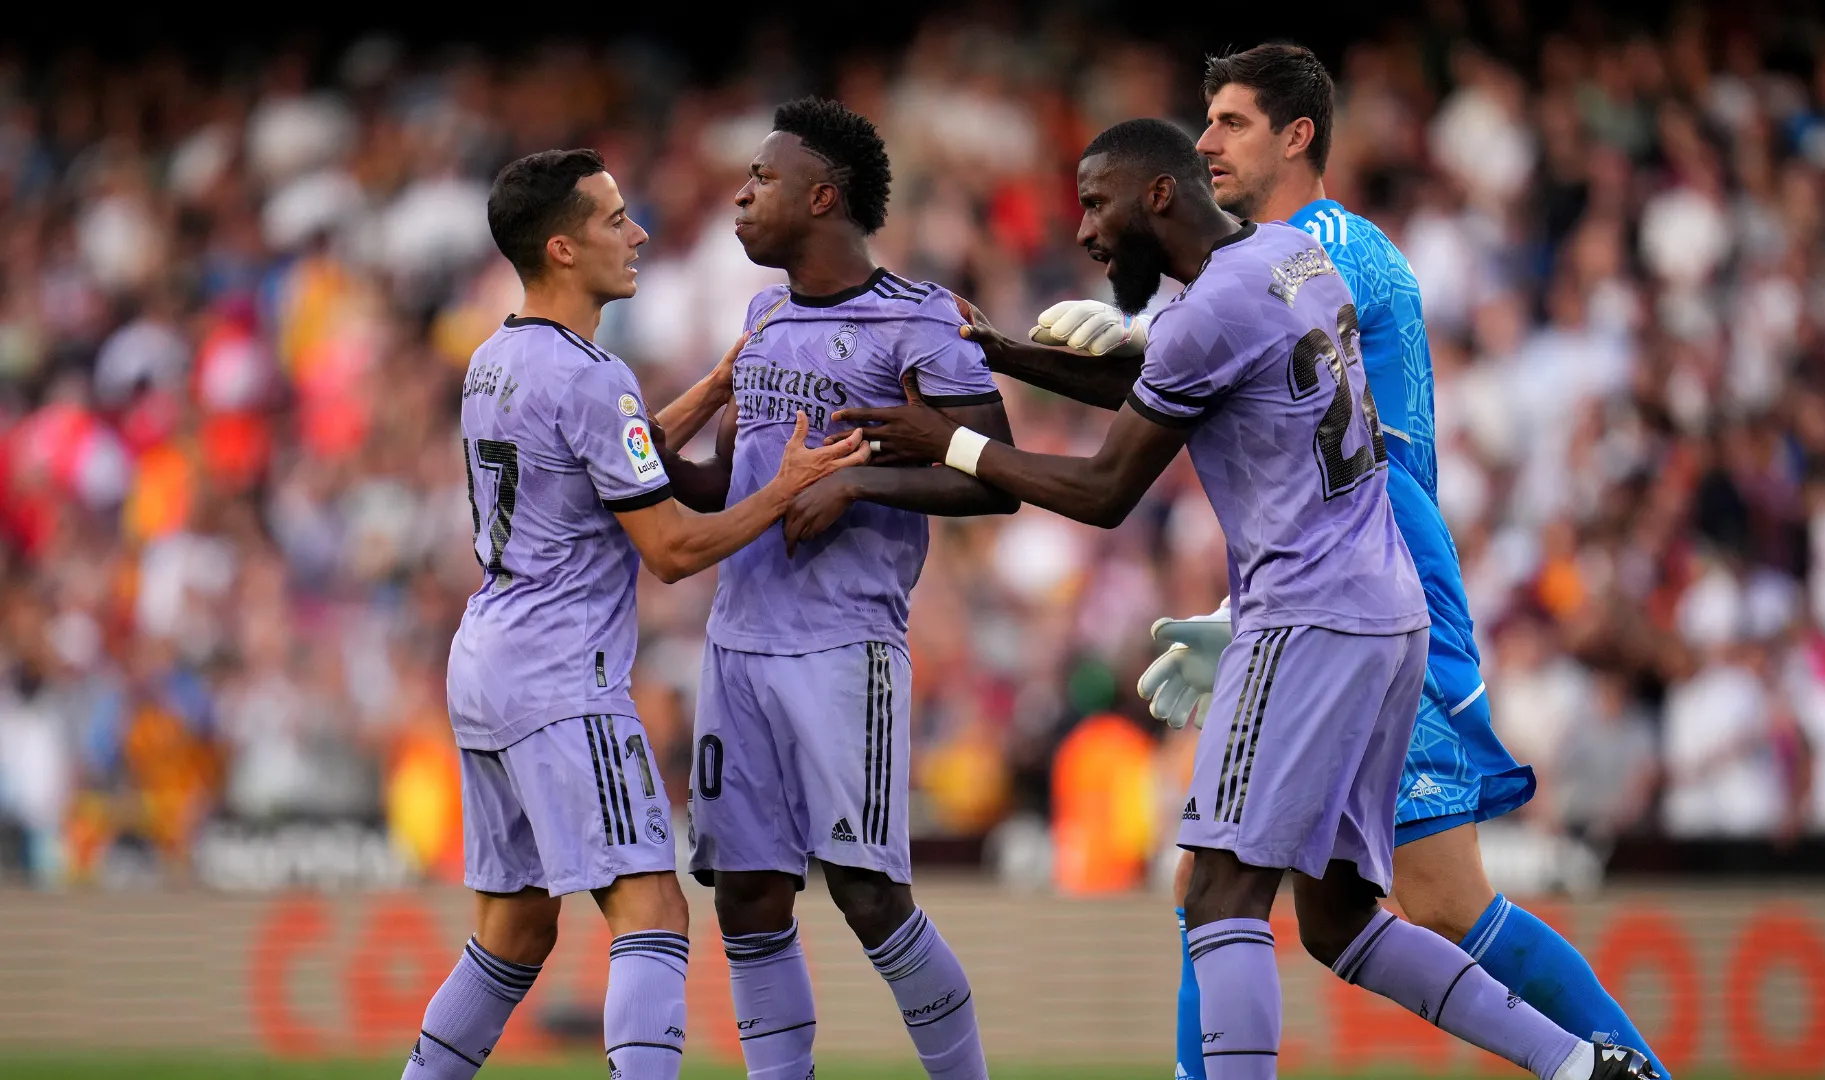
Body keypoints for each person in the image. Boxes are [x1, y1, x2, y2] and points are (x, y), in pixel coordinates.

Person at [841, 117, 1653, 1080]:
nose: (1086, 232)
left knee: (1219, 893)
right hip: (1386, 616)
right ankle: (1577, 1066)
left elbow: (1106, 492)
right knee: (1339, 922)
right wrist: (1001, 352)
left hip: (1307, 618)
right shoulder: (1289, 260)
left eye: (1097, 203)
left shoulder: (1208, 309)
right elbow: (1169, 378)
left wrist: (953, 443)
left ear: (1157, 196)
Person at [402, 148, 867, 1080]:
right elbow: (670, 549)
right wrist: (782, 490)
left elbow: (617, 455)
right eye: (617, 220)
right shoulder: (592, 374)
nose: (639, 233)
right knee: (652, 911)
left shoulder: (493, 358)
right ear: (564, 248)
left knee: (519, 925)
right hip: (562, 676)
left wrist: (720, 384)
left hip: (486, 664)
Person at [652, 98, 1016, 1080]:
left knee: (865, 891)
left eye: (762, 180)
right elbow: (733, 485)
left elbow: (999, 474)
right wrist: (629, 470)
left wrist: (858, 482)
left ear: (822, 196)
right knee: (748, 894)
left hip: (843, 644)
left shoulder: (924, 320)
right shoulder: (762, 316)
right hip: (738, 644)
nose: (742, 194)